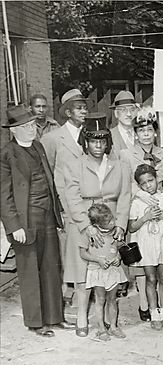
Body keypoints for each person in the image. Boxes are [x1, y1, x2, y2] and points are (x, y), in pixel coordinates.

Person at [0, 105, 74, 337]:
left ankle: (55, 316)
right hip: (26, 219)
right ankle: (35, 322)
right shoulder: (7, 153)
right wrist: (14, 226)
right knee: (30, 271)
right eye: (25, 126)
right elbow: (4, 194)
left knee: (52, 267)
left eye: (33, 124)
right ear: (14, 131)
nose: (32, 129)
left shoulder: (38, 146)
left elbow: (49, 182)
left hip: (46, 215)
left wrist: (57, 211)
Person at [64, 114, 131, 337]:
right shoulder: (75, 165)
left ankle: (111, 323)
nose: (98, 146)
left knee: (110, 272)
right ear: (85, 142)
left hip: (110, 224)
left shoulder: (119, 165)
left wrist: (120, 225)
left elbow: (124, 196)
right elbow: (72, 197)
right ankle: (83, 317)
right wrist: (86, 226)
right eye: (93, 141)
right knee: (84, 274)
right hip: (83, 221)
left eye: (102, 141)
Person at [120, 107, 163, 321]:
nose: (145, 134)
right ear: (135, 133)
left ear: (155, 132)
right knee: (144, 263)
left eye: (149, 130)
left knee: (162, 259)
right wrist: (140, 195)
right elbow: (124, 183)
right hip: (138, 207)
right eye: (141, 130)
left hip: (159, 207)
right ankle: (145, 305)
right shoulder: (126, 154)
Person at [40, 88, 92, 300]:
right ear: (68, 112)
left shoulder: (91, 136)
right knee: (67, 249)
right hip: (66, 204)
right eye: (79, 108)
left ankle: (89, 290)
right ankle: (67, 291)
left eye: (85, 108)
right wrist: (57, 206)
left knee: (89, 246)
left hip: (88, 203)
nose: (84, 112)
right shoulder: (52, 138)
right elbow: (47, 173)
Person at [128, 164, 163, 330]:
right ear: (139, 186)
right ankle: (153, 312)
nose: (149, 185)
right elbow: (132, 227)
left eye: (151, 180)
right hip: (146, 244)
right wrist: (146, 217)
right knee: (150, 279)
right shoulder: (137, 202)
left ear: (157, 179)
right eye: (144, 183)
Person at [79, 204, 127, 341]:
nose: (113, 223)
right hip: (97, 271)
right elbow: (82, 253)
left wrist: (118, 257)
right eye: (109, 222)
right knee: (100, 300)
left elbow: (120, 247)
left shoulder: (115, 232)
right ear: (97, 224)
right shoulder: (89, 234)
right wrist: (97, 260)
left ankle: (113, 326)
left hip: (113, 270)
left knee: (112, 299)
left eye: (112, 219)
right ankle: (101, 329)